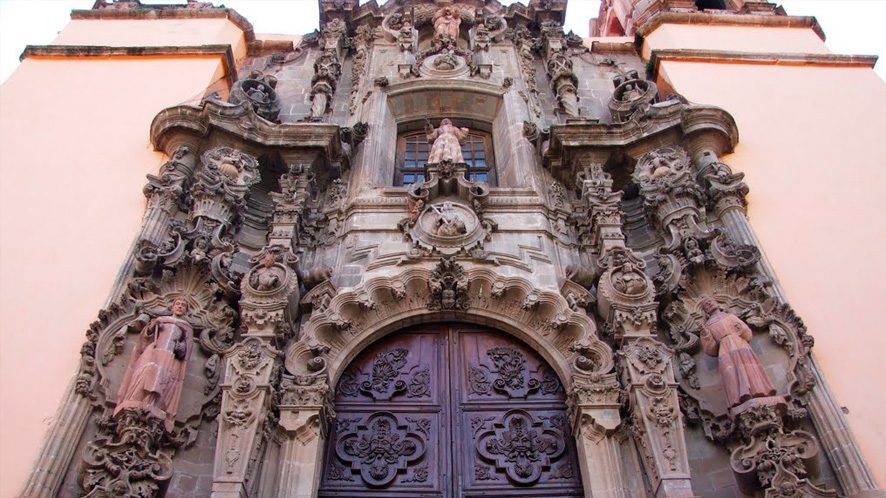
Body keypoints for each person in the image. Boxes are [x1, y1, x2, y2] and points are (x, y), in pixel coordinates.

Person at [115, 297, 194, 431]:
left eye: (183, 305)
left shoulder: (186, 327)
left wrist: (181, 347)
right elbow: (145, 338)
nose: (180, 307)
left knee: (162, 380)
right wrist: (152, 326)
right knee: (144, 374)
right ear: (172, 307)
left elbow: (186, 349)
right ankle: (135, 399)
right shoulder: (161, 320)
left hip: (169, 356)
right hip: (153, 352)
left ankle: (152, 404)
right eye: (178, 304)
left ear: (186, 310)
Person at [700, 298, 776, 410]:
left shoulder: (730, 316)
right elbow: (711, 349)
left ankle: (759, 390)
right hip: (725, 350)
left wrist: (739, 329)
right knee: (730, 373)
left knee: (749, 368)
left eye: (710, 301)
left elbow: (747, 334)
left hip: (740, 344)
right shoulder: (708, 325)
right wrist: (706, 334)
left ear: (717, 302)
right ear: (705, 311)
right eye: (706, 304)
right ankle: (738, 398)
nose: (709, 303)